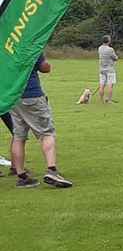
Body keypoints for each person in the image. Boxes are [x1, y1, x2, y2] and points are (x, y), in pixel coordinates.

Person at [10, 53, 73, 188]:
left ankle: (21, 176)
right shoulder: (30, 46)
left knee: (18, 136)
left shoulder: (5, 46)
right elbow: (45, 68)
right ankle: (52, 170)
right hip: (32, 95)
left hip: (13, 97)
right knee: (46, 134)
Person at [97, 35, 118, 104]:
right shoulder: (110, 49)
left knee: (102, 85)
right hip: (110, 69)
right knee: (110, 85)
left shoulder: (99, 48)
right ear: (108, 41)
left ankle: (101, 100)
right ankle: (108, 100)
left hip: (102, 69)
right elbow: (115, 58)